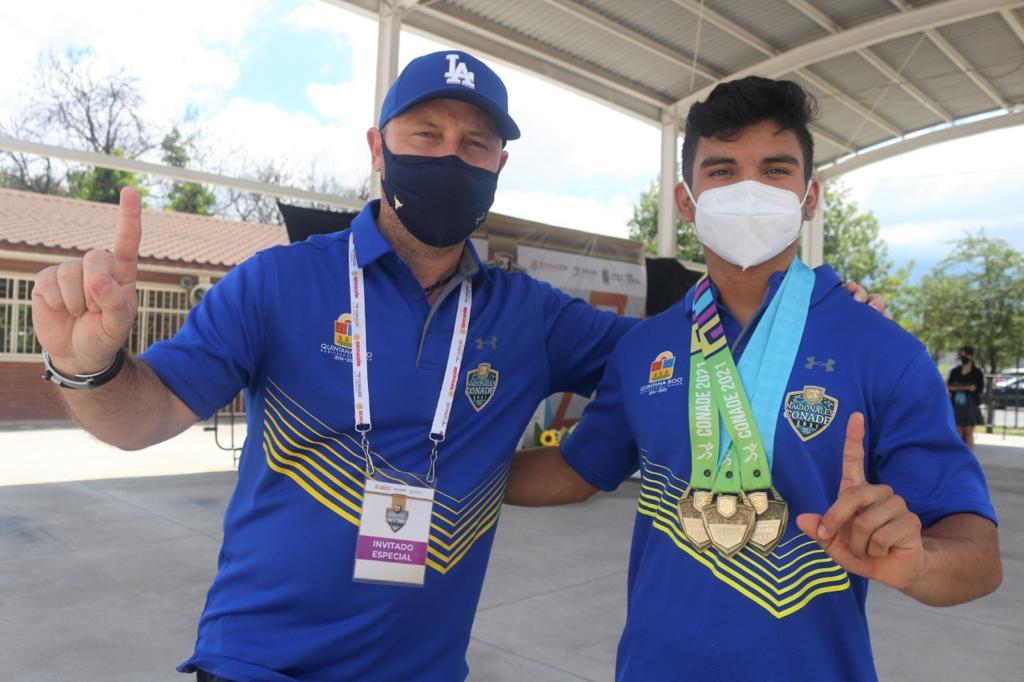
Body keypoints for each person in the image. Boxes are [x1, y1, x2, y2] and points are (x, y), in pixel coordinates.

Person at [31, 50, 887, 680]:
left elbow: (679, 357)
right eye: (426, 133)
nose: (450, 156)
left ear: (500, 166)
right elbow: (140, 420)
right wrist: (91, 369)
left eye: (475, 143)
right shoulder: (277, 283)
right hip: (258, 662)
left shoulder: (529, 315)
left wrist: (807, 313)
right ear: (380, 144)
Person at [505, 76, 1000, 681]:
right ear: (687, 202)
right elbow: (574, 471)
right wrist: (455, 466)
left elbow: (978, 554)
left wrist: (919, 562)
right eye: (721, 171)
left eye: (774, 170)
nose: (747, 190)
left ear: (809, 195)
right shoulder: (646, 348)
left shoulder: (881, 350)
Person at [947, 345, 985, 448]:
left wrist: (960, 387)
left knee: (968, 430)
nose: (963, 357)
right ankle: (959, 457)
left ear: (970, 356)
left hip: (970, 403)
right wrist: (966, 387)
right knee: (958, 430)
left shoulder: (977, 372)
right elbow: (950, 386)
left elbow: (977, 388)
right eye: (961, 355)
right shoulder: (955, 371)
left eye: (965, 355)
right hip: (957, 403)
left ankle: (970, 457)